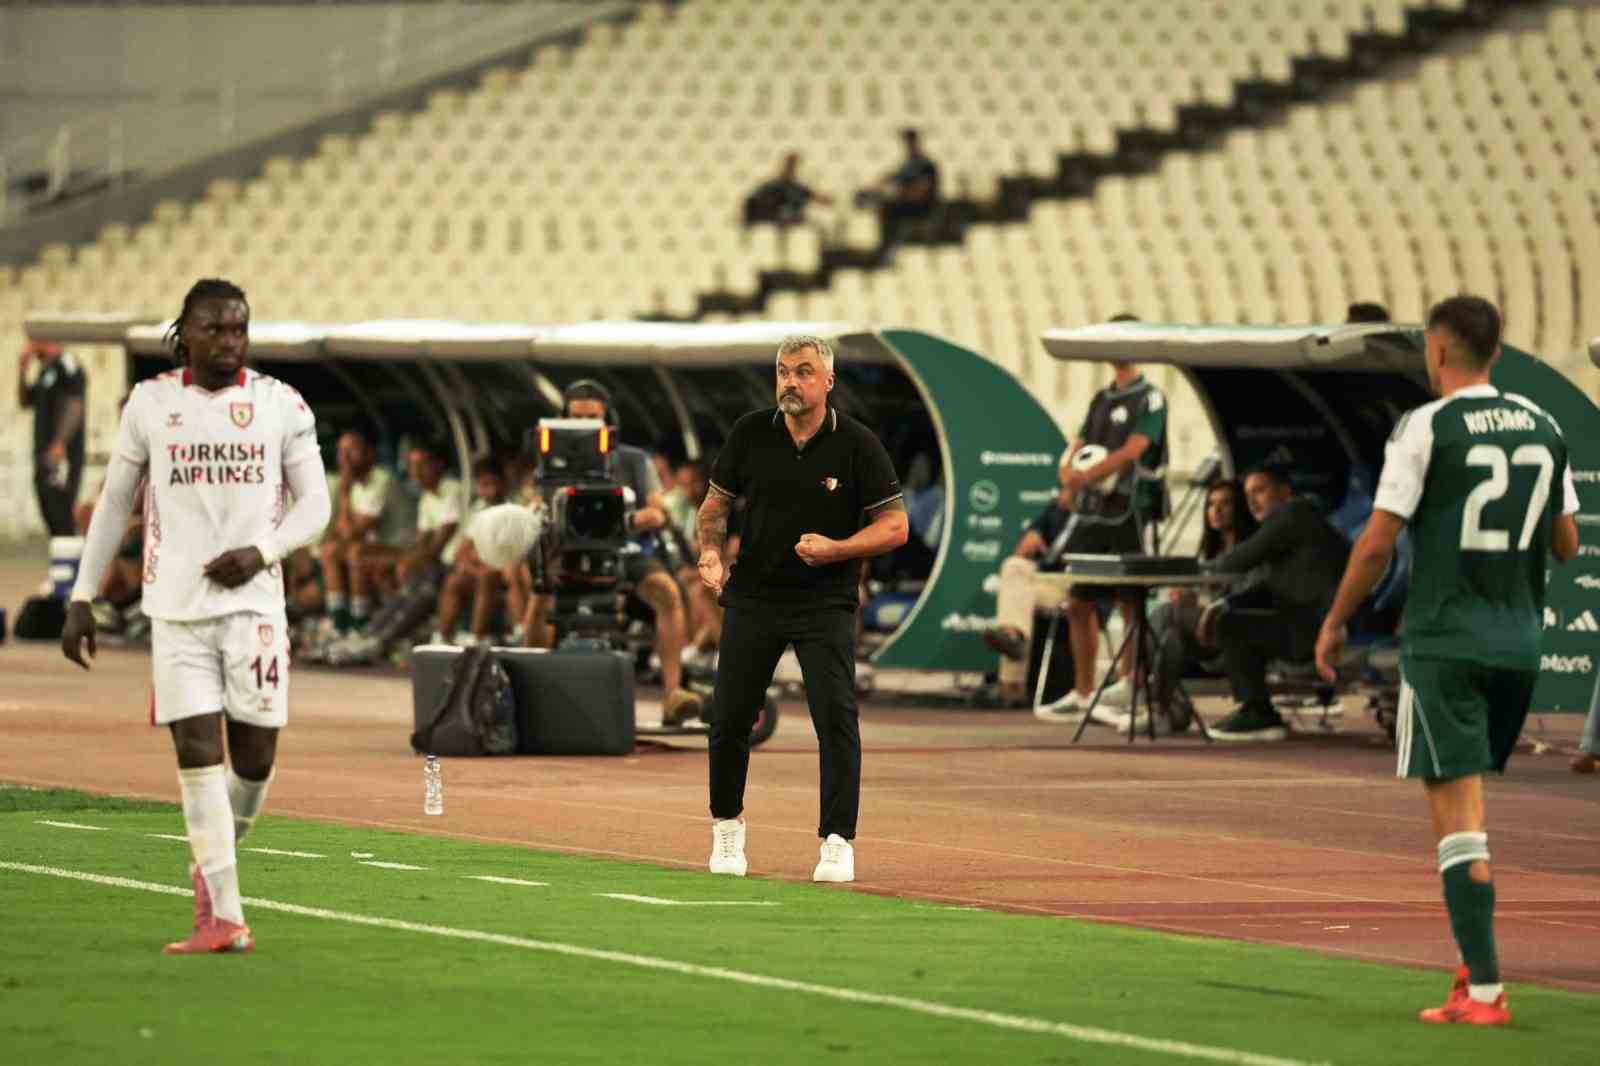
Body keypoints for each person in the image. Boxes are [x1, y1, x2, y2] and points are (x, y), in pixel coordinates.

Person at [1315, 295, 1580, 1025]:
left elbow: (1376, 542)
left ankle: (1485, 990)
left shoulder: (1426, 427)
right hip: (1519, 644)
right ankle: (1473, 965)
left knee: (1459, 821)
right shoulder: (1545, 424)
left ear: (1436, 350)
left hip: (1446, 641)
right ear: (1496, 351)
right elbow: (1567, 544)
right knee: (1473, 809)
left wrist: (1335, 621)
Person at [60, 278, 331, 954]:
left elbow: (316, 505)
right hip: (175, 610)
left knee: (256, 760)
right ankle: (222, 915)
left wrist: (262, 552)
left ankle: (212, 865)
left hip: (255, 608)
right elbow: (115, 502)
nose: (229, 341)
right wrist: (81, 595)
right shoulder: (152, 403)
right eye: (214, 329)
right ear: (185, 334)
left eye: (238, 328)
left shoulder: (280, 403)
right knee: (198, 752)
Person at [696, 335, 907, 883]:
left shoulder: (857, 443)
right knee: (729, 717)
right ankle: (727, 827)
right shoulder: (750, 433)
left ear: (828, 381)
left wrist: (836, 550)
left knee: (835, 719)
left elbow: (895, 526)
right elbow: (714, 507)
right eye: (783, 371)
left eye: (804, 372)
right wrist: (711, 552)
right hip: (755, 595)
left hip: (825, 601)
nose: (791, 381)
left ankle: (837, 841)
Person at [524, 379, 704, 723]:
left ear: (608, 421)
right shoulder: (551, 464)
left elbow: (659, 509)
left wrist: (646, 516)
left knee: (666, 591)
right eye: (576, 418)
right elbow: (536, 506)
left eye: (592, 418)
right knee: (539, 594)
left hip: (624, 549)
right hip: (566, 553)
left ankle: (673, 693)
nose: (585, 426)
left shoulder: (633, 461)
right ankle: (532, 692)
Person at [1034, 324, 1169, 725]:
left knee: (1130, 601)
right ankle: (1083, 693)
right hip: (1094, 511)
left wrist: (1087, 475)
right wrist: (1067, 471)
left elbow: (1134, 450)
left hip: (1130, 509)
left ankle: (1130, 685)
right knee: (1079, 600)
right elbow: (1078, 443)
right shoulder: (1101, 399)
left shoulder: (1151, 397)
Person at [1198, 464, 1350, 741]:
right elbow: (1264, 584)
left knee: (1231, 625)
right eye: (1248, 495)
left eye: (1260, 491)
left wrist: (1192, 569)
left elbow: (1239, 559)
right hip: (1310, 622)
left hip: (1317, 628)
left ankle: (1258, 713)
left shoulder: (1293, 514)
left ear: (1285, 491)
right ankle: (1253, 708)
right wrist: (1221, 604)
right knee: (1231, 617)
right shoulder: (1296, 522)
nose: (1252, 501)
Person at [1142, 477, 1258, 733]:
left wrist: (1201, 603)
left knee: (1166, 614)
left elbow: (1244, 595)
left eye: (1225, 504)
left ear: (1239, 508)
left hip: (1231, 635)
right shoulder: (1213, 550)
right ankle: (1161, 711)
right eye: (1211, 505)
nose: (1216, 511)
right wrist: (1192, 599)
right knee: (1170, 636)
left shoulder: (1250, 548)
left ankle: (1136, 683)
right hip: (1203, 636)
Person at [981, 484, 1078, 705]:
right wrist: (1030, 541)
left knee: (1019, 596)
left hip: (1073, 584)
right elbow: (1024, 545)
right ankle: (1013, 637)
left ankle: (1011, 685)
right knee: (1014, 565)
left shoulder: (1102, 512)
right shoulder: (1057, 506)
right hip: (1044, 581)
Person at [318, 429, 405, 632]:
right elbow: (342, 531)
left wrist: (344, 493)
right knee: (330, 550)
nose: (345, 458)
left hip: (401, 549)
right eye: (341, 451)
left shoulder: (381, 479)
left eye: (352, 450)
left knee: (356, 551)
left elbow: (353, 533)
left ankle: (360, 622)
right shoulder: (354, 485)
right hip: (374, 547)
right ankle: (339, 624)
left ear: (369, 453)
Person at [432, 456, 510, 645]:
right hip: (480, 568)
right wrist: (472, 567)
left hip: (502, 571)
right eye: (483, 485)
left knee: (485, 577)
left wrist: (481, 563)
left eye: (491, 484)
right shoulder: (479, 509)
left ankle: (476, 637)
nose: (488, 491)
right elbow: (461, 552)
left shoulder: (513, 508)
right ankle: (442, 637)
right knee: (455, 580)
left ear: (502, 483)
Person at [17, 339, 86, 535]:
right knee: (47, 507)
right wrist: (22, 370)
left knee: (61, 510)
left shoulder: (67, 363)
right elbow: (25, 400)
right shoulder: (45, 371)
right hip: (42, 454)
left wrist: (60, 441)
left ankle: (70, 550)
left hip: (62, 456)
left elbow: (75, 405)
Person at [862, 129, 940, 246]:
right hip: (906, 203)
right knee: (878, 204)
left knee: (888, 208)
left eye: (909, 142)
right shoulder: (908, 163)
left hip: (922, 207)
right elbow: (893, 177)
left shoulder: (925, 164)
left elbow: (922, 190)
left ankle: (889, 244)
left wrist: (900, 195)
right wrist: (879, 185)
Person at [744, 152, 834, 226]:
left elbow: (814, 196)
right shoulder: (772, 185)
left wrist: (823, 199)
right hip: (770, 217)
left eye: (793, 166)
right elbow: (755, 202)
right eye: (789, 165)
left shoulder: (798, 187)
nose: (791, 168)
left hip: (786, 218)